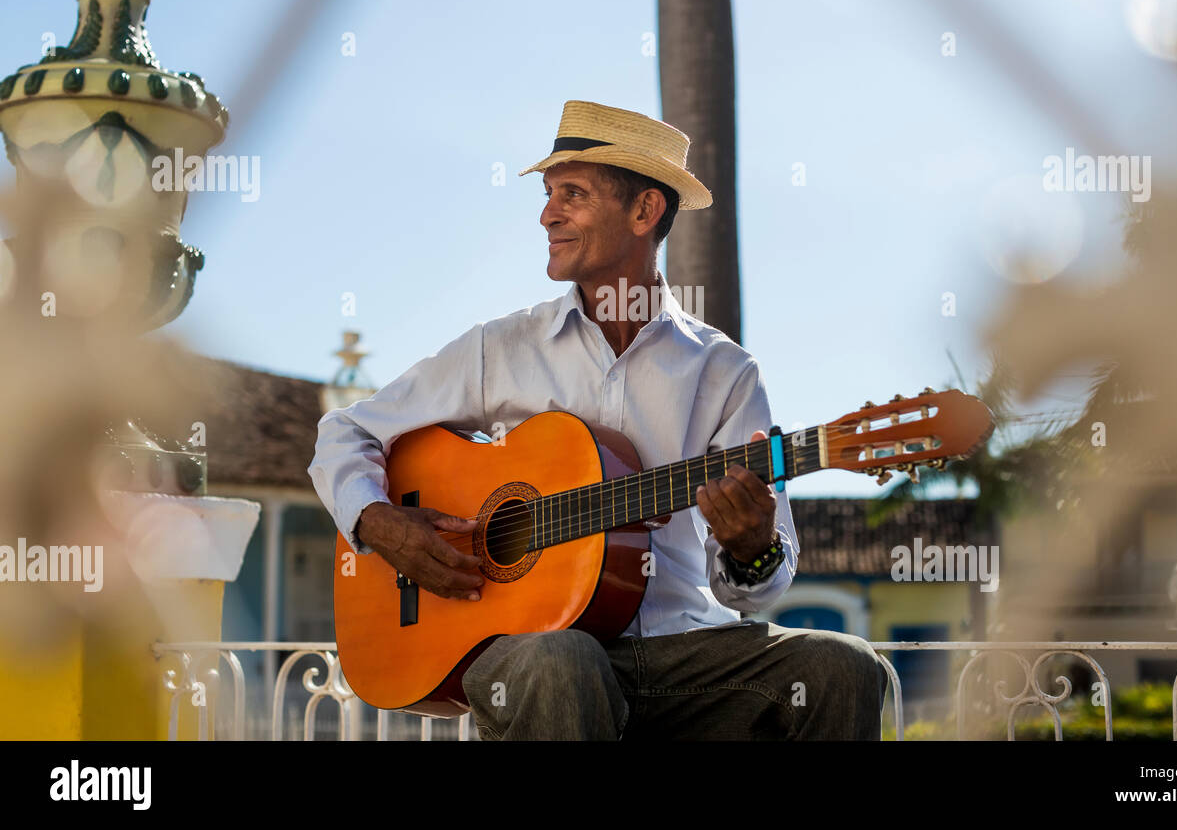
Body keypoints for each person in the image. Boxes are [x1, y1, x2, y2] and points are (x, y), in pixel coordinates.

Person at [309, 100, 888, 739]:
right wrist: (382, 524)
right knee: (565, 657)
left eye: (574, 194)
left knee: (845, 665)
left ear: (645, 211)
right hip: (531, 652)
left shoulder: (725, 372)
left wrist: (752, 548)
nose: (547, 214)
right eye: (550, 192)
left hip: (683, 655)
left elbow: (751, 595)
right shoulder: (500, 347)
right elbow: (345, 430)